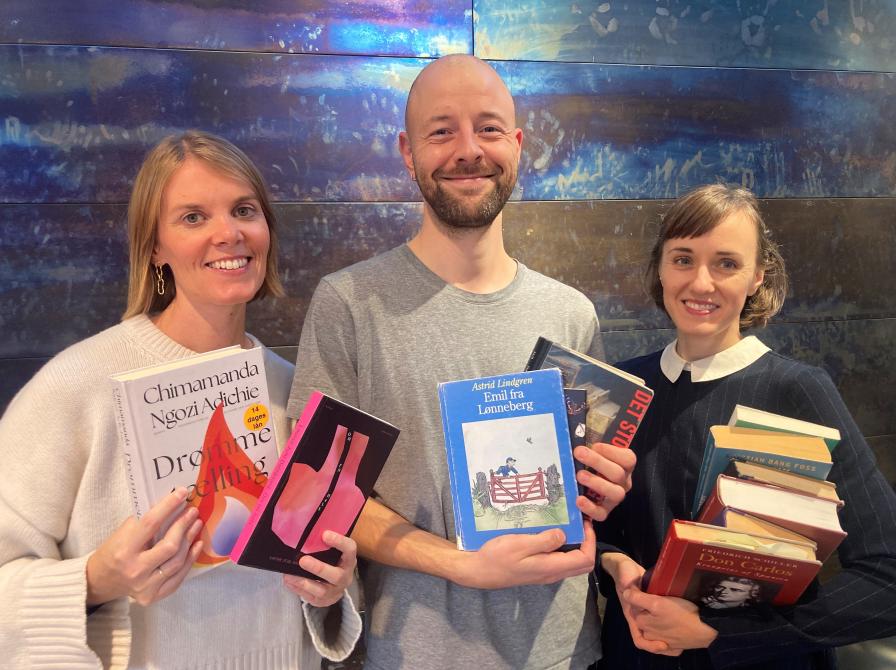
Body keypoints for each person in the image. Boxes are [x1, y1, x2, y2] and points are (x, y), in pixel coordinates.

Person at [287, 54, 636, 670]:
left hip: (562, 653)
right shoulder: (348, 305)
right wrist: (462, 566)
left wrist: (601, 487)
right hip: (409, 655)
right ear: (408, 151)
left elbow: (581, 487)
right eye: (442, 131)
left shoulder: (571, 314)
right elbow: (321, 492)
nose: (468, 150)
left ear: (517, 145)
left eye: (488, 129)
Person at [0, 131, 362, 669]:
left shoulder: (295, 393)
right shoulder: (77, 386)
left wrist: (331, 588)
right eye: (193, 217)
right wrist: (97, 579)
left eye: (244, 210)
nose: (229, 233)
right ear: (154, 248)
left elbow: (306, 583)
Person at [596, 184, 896, 669]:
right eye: (683, 259)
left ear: (758, 276)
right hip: (635, 655)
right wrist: (614, 564)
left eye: (727, 264)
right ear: (660, 268)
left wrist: (721, 635)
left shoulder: (799, 390)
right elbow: (595, 529)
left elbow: (888, 573)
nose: (701, 283)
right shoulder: (624, 387)